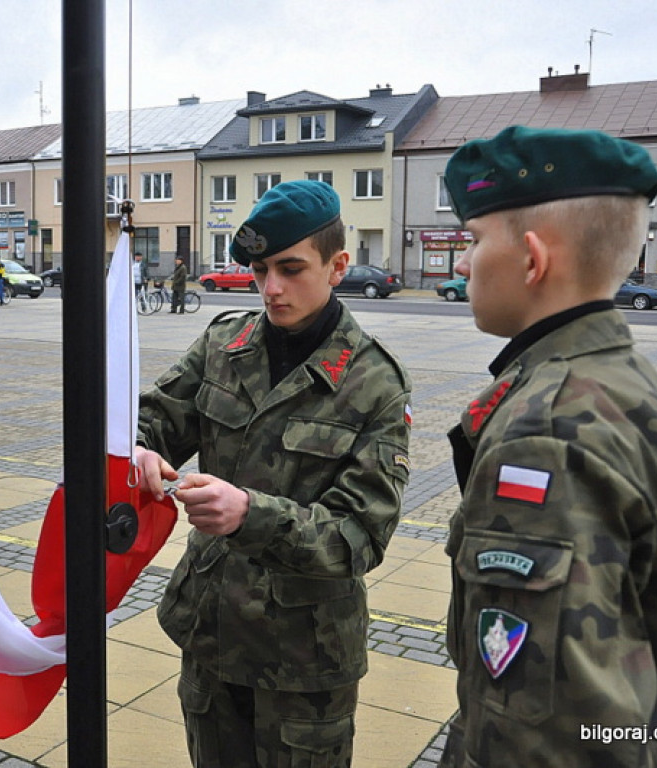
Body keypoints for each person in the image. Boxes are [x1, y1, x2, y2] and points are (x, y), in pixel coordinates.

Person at [135, 180, 412, 767]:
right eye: (260, 270)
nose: (271, 288)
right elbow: (153, 420)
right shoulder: (221, 343)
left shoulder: (375, 382)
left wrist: (248, 514)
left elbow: (359, 536)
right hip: (211, 632)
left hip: (304, 662)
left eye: (290, 268)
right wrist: (136, 449)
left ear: (339, 265)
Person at [438, 126, 657, 768]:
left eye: (473, 240)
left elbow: (546, 732)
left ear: (533, 259)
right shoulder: (633, 383)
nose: (462, 264)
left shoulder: (544, 433)